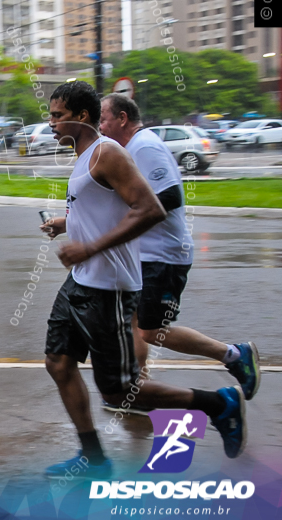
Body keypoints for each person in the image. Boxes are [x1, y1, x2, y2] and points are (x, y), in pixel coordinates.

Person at [39, 82, 246, 479]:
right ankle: (93, 458)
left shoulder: (107, 153)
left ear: (81, 118)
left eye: (56, 115)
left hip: (109, 289)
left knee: (119, 392)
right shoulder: (83, 157)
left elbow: (150, 209)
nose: (49, 124)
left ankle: (219, 404)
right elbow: (107, 210)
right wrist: (67, 225)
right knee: (59, 363)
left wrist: (90, 248)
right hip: (80, 283)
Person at [98, 93, 259, 411]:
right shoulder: (132, 148)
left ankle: (235, 355)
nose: (100, 126)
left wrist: (122, 226)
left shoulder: (144, 146)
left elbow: (169, 196)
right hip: (145, 257)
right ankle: (138, 391)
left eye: (103, 119)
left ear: (122, 119)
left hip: (163, 256)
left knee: (152, 330)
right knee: (133, 322)